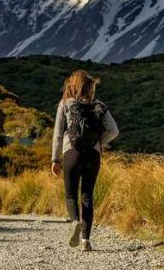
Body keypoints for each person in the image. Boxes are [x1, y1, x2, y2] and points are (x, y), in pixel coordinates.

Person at [51, 70, 119, 252]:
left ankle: (75, 221)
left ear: (72, 85)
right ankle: (86, 241)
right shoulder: (100, 106)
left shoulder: (66, 103)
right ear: (90, 88)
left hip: (71, 152)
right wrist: (97, 142)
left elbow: (57, 134)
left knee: (71, 193)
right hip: (93, 155)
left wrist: (55, 159)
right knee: (87, 196)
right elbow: (114, 131)